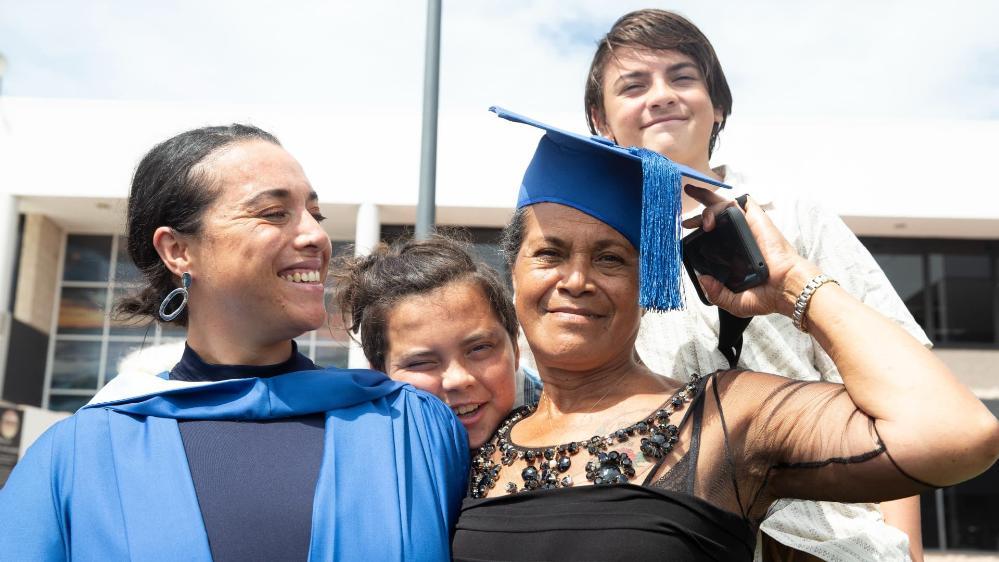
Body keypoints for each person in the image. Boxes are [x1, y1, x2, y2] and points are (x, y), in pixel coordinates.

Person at [450, 110, 999, 561]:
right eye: (549, 253)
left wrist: (792, 284)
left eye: (611, 258)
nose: (576, 280)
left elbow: (957, 433)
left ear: (649, 281)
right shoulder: (483, 437)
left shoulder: (726, 416)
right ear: (513, 272)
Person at [0, 125, 468, 561]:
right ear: (178, 250)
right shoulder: (78, 457)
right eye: (273, 213)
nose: (318, 236)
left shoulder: (411, 425)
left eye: (315, 214)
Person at [578, 9, 933, 560]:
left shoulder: (788, 215)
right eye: (634, 85)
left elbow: (892, 387)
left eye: (682, 77)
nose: (661, 95)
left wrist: (906, 550)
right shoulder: (593, 249)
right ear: (601, 120)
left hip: (818, 535)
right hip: (665, 533)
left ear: (717, 105)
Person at [329, 236, 519, 449]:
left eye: (479, 348)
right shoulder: (359, 459)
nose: (457, 380)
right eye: (420, 363)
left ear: (516, 349)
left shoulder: (562, 442)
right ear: (380, 374)